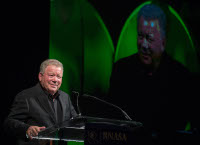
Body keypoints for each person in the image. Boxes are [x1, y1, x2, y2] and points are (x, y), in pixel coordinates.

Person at [108, 4, 191, 145]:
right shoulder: (122, 71)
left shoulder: (180, 77)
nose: (144, 45)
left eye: (150, 38)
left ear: (163, 42)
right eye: (140, 36)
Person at [4, 59, 77, 145]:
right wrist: (27, 129)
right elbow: (9, 123)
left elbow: (75, 121)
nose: (55, 80)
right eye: (51, 75)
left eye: (59, 76)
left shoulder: (65, 97)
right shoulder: (26, 96)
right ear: (40, 76)